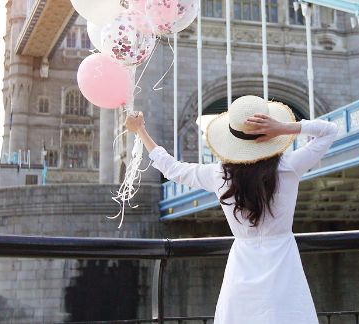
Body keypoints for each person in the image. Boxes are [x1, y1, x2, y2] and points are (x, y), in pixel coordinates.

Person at [125, 95, 338, 324]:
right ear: (269, 134)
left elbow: (172, 169)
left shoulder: (219, 175)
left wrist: (140, 131)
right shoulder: (289, 167)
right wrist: (283, 128)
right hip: (284, 265)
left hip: (242, 268)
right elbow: (329, 131)